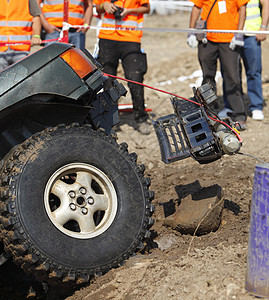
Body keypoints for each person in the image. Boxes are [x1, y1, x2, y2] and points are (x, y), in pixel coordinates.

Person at [187, 0, 249, 130]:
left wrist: (239, 33)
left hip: (229, 39)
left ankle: (239, 115)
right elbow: (197, 8)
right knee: (207, 77)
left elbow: (242, 9)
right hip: (207, 39)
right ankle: (209, 113)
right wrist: (191, 31)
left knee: (232, 76)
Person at [94, 0, 151, 135]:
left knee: (134, 77)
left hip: (131, 38)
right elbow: (97, 7)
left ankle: (141, 118)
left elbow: (146, 8)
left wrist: (130, 11)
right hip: (107, 37)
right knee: (107, 79)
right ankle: (110, 121)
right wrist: (104, 6)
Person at [241, 0, 269, 121]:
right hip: (231, 33)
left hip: (252, 34)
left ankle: (256, 106)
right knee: (231, 72)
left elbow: (266, 3)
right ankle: (233, 106)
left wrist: (263, 27)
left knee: (254, 71)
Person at [0, 0, 42, 71]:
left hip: (21, 50)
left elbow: (36, 17)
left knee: (21, 78)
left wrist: (36, 36)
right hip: (1, 49)